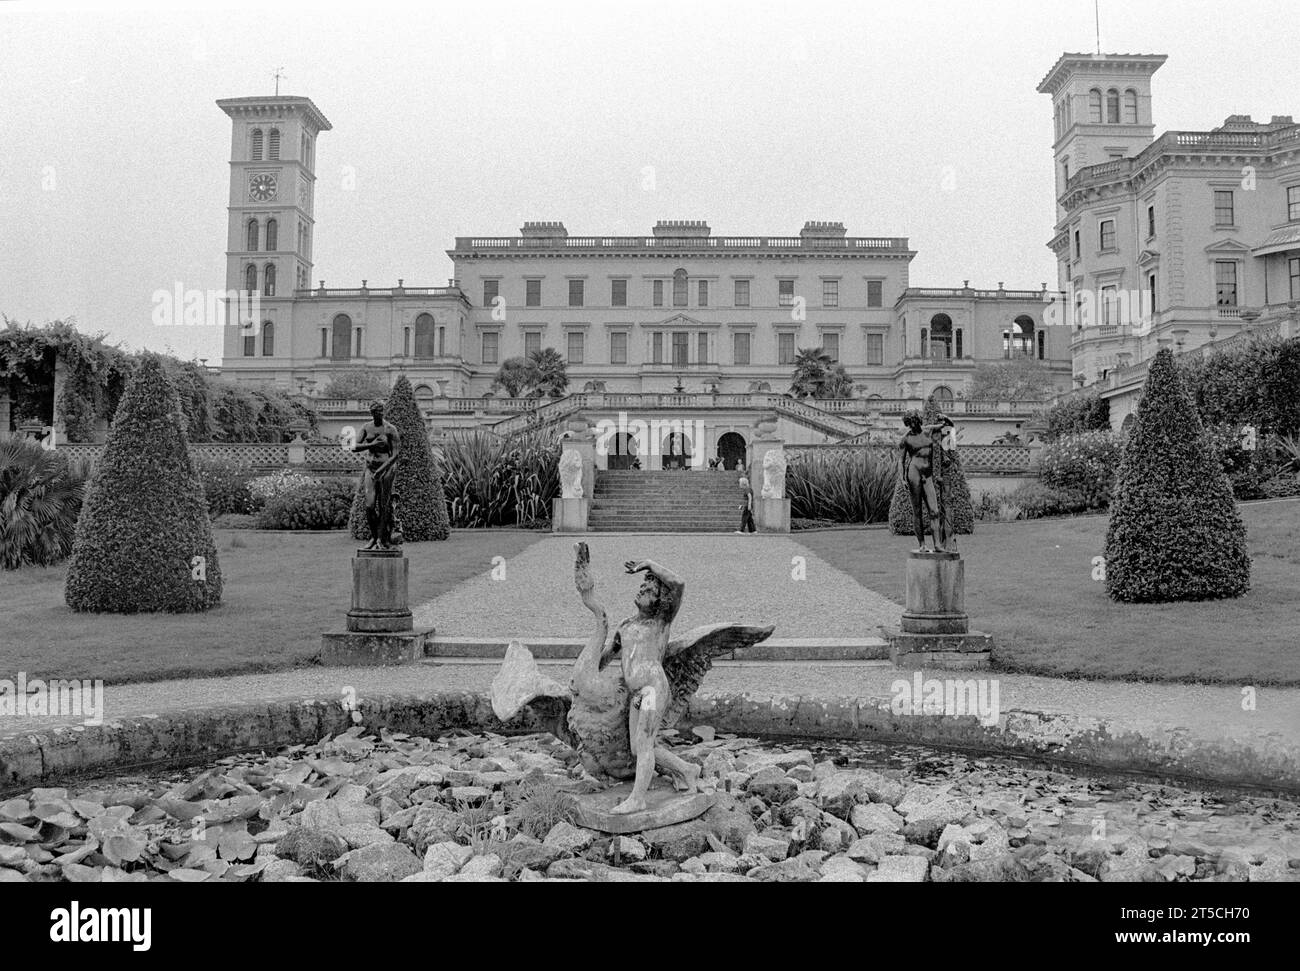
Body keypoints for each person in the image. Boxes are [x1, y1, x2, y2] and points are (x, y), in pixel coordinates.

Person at [600, 556, 697, 814]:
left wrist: (649, 564)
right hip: (637, 694)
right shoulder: (626, 625)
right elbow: (608, 655)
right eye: (641, 587)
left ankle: (638, 799)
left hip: (653, 689)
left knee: (643, 743)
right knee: (638, 747)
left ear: (658, 601)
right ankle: (686, 770)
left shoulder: (660, 621)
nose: (642, 590)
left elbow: (679, 583)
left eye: (649, 590)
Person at [897, 409, 952, 552]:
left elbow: (949, 425)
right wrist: (902, 479)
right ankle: (922, 544)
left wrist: (944, 417)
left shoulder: (928, 431)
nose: (913, 425)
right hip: (913, 474)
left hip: (927, 475)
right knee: (917, 512)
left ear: (919, 420)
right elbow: (900, 461)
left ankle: (938, 545)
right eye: (910, 423)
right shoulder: (906, 438)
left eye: (915, 422)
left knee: (934, 510)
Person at [352, 400, 401, 549]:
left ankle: (381, 539)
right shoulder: (366, 427)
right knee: (369, 505)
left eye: (380, 412)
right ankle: (374, 538)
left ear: (383, 412)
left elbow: (395, 454)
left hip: (387, 468)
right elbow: (354, 446)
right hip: (371, 468)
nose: (378, 415)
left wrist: (382, 470)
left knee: (384, 505)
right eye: (375, 413)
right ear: (371, 413)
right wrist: (372, 445)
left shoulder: (390, 429)